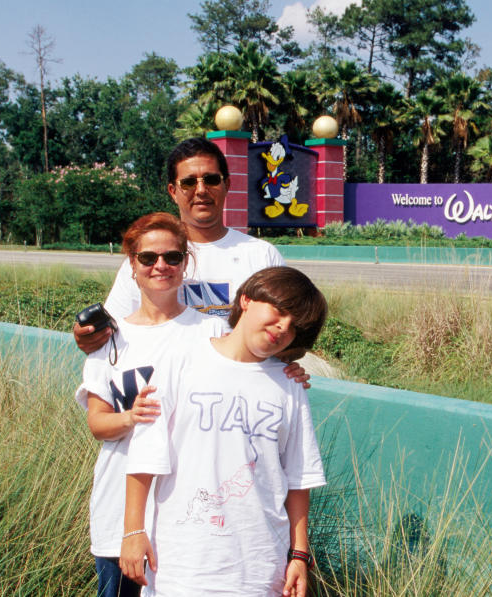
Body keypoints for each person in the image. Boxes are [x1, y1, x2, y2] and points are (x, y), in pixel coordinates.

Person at [118, 267, 328, 596]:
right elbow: (147, 452)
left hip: (260, 570)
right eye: (280, 311)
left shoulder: (290, 384)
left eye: (295, 327)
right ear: (246, 299)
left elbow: (298, 478)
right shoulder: (181, 359)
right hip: (180, 563)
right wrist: (133, 531)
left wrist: (299, 555)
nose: (283, 327)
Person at [76, 212, 227, 597]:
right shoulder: (110, 339)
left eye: (172, 257)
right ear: (132, 265)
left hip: (189, 511)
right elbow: (97, 424)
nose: (161, 266)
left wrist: (289, 373)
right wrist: (131, 417)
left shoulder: (212, 331)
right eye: (148, 258)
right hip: (118, 512)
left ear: (185, 263)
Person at [74, 137, 285, 355]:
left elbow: (287, 328)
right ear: (173, 191)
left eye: (211, 179)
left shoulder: (262, 256)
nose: (201, 190)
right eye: (189, 182)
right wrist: (89, 335)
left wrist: (289, 360)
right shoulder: (146, 258)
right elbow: (114, 331)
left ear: (227, 185)